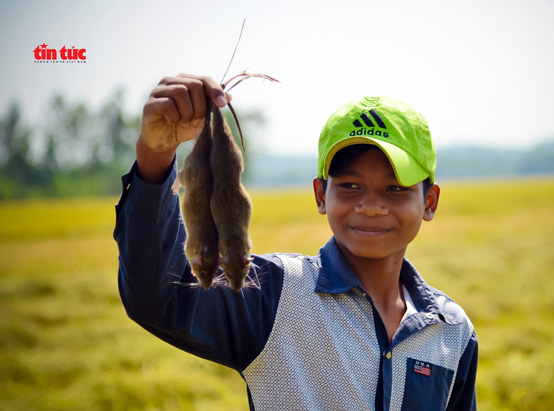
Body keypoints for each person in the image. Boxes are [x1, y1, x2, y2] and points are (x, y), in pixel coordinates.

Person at [114, 74, 478, 410]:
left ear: (429, 202)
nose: (370, 206)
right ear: (321, 195)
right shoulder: (274, 294)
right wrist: (156, 155)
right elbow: (158, 295)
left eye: (395, 188)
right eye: (350, 186)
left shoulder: (452, 331)